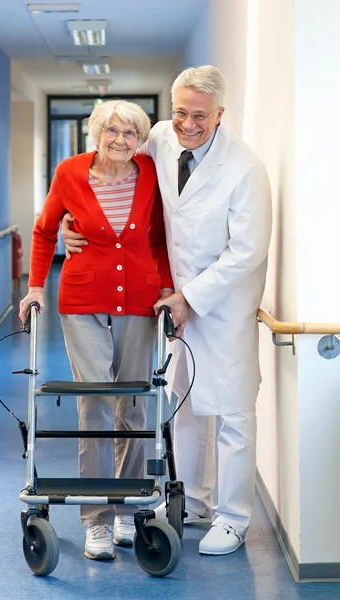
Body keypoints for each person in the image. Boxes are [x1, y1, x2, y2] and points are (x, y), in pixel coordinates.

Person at [61, 65, 272, 556]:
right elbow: (108, 171)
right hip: (172, 304)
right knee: (184, 404)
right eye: (179, 112)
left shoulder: (245, 170)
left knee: (233, 410)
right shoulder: (159, 137)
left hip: (221, 306)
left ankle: (234, 516)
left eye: (199, 115)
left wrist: (190, 296)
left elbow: (247, 252)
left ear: (220, 114)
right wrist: (72, 221)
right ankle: (195, 501)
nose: (187, 124)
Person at [19, 99, 173, 561]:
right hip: (82, 299)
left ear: (140, 140)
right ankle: (96, 521)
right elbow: (47, 231)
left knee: (135, 403)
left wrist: (167, 289)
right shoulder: (69, 173)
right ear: (95, 133)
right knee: (97, 402)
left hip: (140, 300)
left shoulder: (149, 173)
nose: (121, 141)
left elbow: (160, 237)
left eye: (131, 133)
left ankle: (127, 508)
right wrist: (35, 288)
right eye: (112, 131)